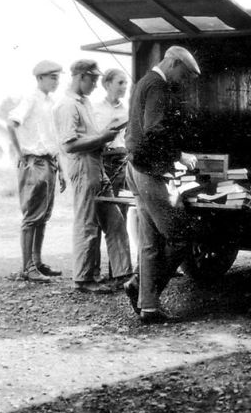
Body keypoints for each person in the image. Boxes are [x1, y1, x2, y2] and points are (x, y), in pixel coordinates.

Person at [125, 46, 201, 324]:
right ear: (173, 63)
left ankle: (148, 306)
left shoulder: (143, 82)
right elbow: (155, 130)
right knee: (180, 235)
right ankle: (142, 287)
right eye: (185, 74)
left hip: (134, 167)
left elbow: (134, 129)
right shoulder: (158, 86)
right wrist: (179, 155)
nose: (184, 80)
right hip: (149, 172)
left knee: (150, 242)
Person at [54, 59, 132, 293]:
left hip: (97, 164)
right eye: (94, 80)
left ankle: (123, 274)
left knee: (115, 221)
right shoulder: (68, 105)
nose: (96, 85)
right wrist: (102, 138)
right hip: (83, 166)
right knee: (87, 223)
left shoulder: (84, 102)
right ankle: (84, 278)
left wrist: (108, 133)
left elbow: (88, 135)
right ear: (81, 77)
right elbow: (69, 145)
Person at [7, 60, 66, 282]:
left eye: (57, 77)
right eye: (52, 77)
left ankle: (37, 262)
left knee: (43, 215)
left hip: (49, 161)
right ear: (40, 78)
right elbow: (11, 123)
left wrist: (59, 166)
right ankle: (28, 267)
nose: (56, 81)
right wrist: (20, 153)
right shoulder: (31, 98)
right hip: (34, 162)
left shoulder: (51, 102)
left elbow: (52, 138)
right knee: (32, 216)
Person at [92, 68, 130, 279]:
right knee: (102, 215)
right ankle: (94, 271)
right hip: (103, 159)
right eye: (119, 83)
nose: (124, 87)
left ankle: (117, 272)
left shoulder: (127, 109)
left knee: (120, 214)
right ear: (107, 84)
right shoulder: (95, 108)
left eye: (125, 83)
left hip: (121, 160)